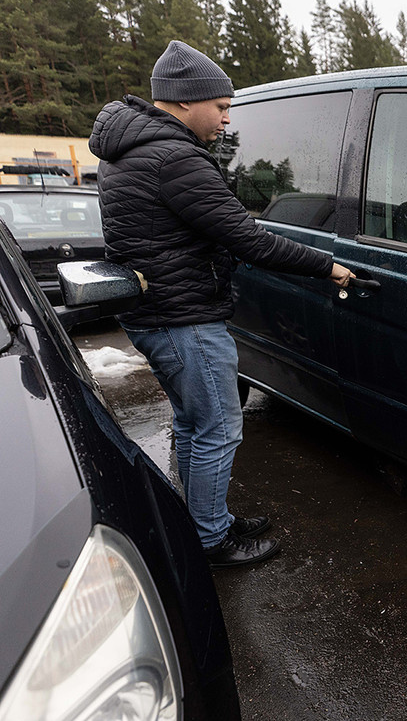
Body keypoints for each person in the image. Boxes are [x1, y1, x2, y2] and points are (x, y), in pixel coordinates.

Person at [88, 40, 354, 568]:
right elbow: (246, 237)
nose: (227, 120)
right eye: (222, 107)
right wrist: (327, 265)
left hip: (157, 312)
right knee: (217, 427)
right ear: (186, 101)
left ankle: (205, 519)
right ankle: (212, 539)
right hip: (183, 318)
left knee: (191, 423)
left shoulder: (130, 150)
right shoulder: (173, 157)